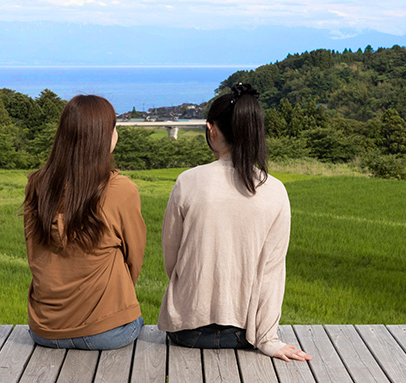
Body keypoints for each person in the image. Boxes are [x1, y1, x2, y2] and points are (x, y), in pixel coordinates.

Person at [158, 83, 311, 361]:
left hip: (185, 330)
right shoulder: (275, 190)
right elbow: (272, 272)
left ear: (211, 129)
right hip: (245, 333)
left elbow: (172, 259)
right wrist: (268, 340)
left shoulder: (188, 181)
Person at [23, 94, 147, 350]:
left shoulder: (37, 185)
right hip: (107, 332)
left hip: (44, 332)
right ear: (105, 136)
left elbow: (34, 255)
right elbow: (134, 258)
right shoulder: (121, 190)